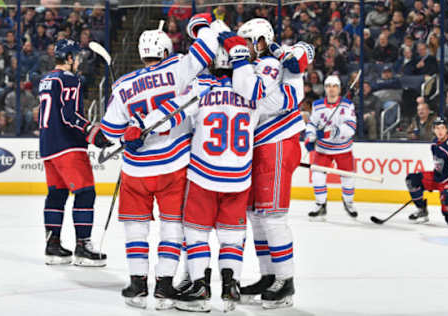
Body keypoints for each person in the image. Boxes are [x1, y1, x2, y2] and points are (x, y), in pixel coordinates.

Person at [135, 20, 302, 312]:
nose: (246, 48)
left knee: (202, 230)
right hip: (240, 173)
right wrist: (294, 78)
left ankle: (209, 285)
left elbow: (173, 112)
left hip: (214, 170)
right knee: (242, 229)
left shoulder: (215, 82)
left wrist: (142, 127)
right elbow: (281, 97)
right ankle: (235, 287)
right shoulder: (254, 81)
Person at [100, 17, 218, 309]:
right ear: (165, 50)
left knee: (136, 229)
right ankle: (164, 287)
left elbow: (110, 132)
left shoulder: (123, 84)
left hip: (135, 171)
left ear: (141, 53)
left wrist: (131, 133)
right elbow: (207, 51)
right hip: (173, 166)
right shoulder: (178, 65)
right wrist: (204, 25)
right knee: (172, 227)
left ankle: (137, 285)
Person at [234, 18, 309, 308]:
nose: (245, 47)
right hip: (260, 146)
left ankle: (285, 281)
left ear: (263, 40)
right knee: (257, 215)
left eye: (249, 41)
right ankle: (269, 276)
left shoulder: (275, 63)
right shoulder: (253, 64)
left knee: (273, 216)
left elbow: (289, 96)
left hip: (276, 143)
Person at [38, 39, 112, 266]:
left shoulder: (45, 79)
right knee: (85, 193)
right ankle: (82, 247)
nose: (78, 61)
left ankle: (52, 246)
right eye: (76, 57)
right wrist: (91, 131)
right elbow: (70, 116)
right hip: (68, 146)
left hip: (48, 147)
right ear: (69, 58)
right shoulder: (70, 79)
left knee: (57, 195)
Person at [305, 75, 357, 220]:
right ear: (325, 88)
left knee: (348, 178)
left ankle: (349, 203)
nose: (331, 89)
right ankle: (320, 204)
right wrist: (310, 136)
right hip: (323, 150)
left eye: (334, 86)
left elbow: (351, 128)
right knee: (317, 176)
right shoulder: (317, 105)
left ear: (339, 89)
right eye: (328, 86)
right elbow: (312, 124)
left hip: (343, 149)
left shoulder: (347, 105)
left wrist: (329, 132)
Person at [406, 117, 448, 225]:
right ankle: (422, 211)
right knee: (412, 180)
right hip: (438, 178)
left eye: (442, 128)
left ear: (446, 129)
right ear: (433, 130)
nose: (440, 131)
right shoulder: (435, 143)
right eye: (437, 128)